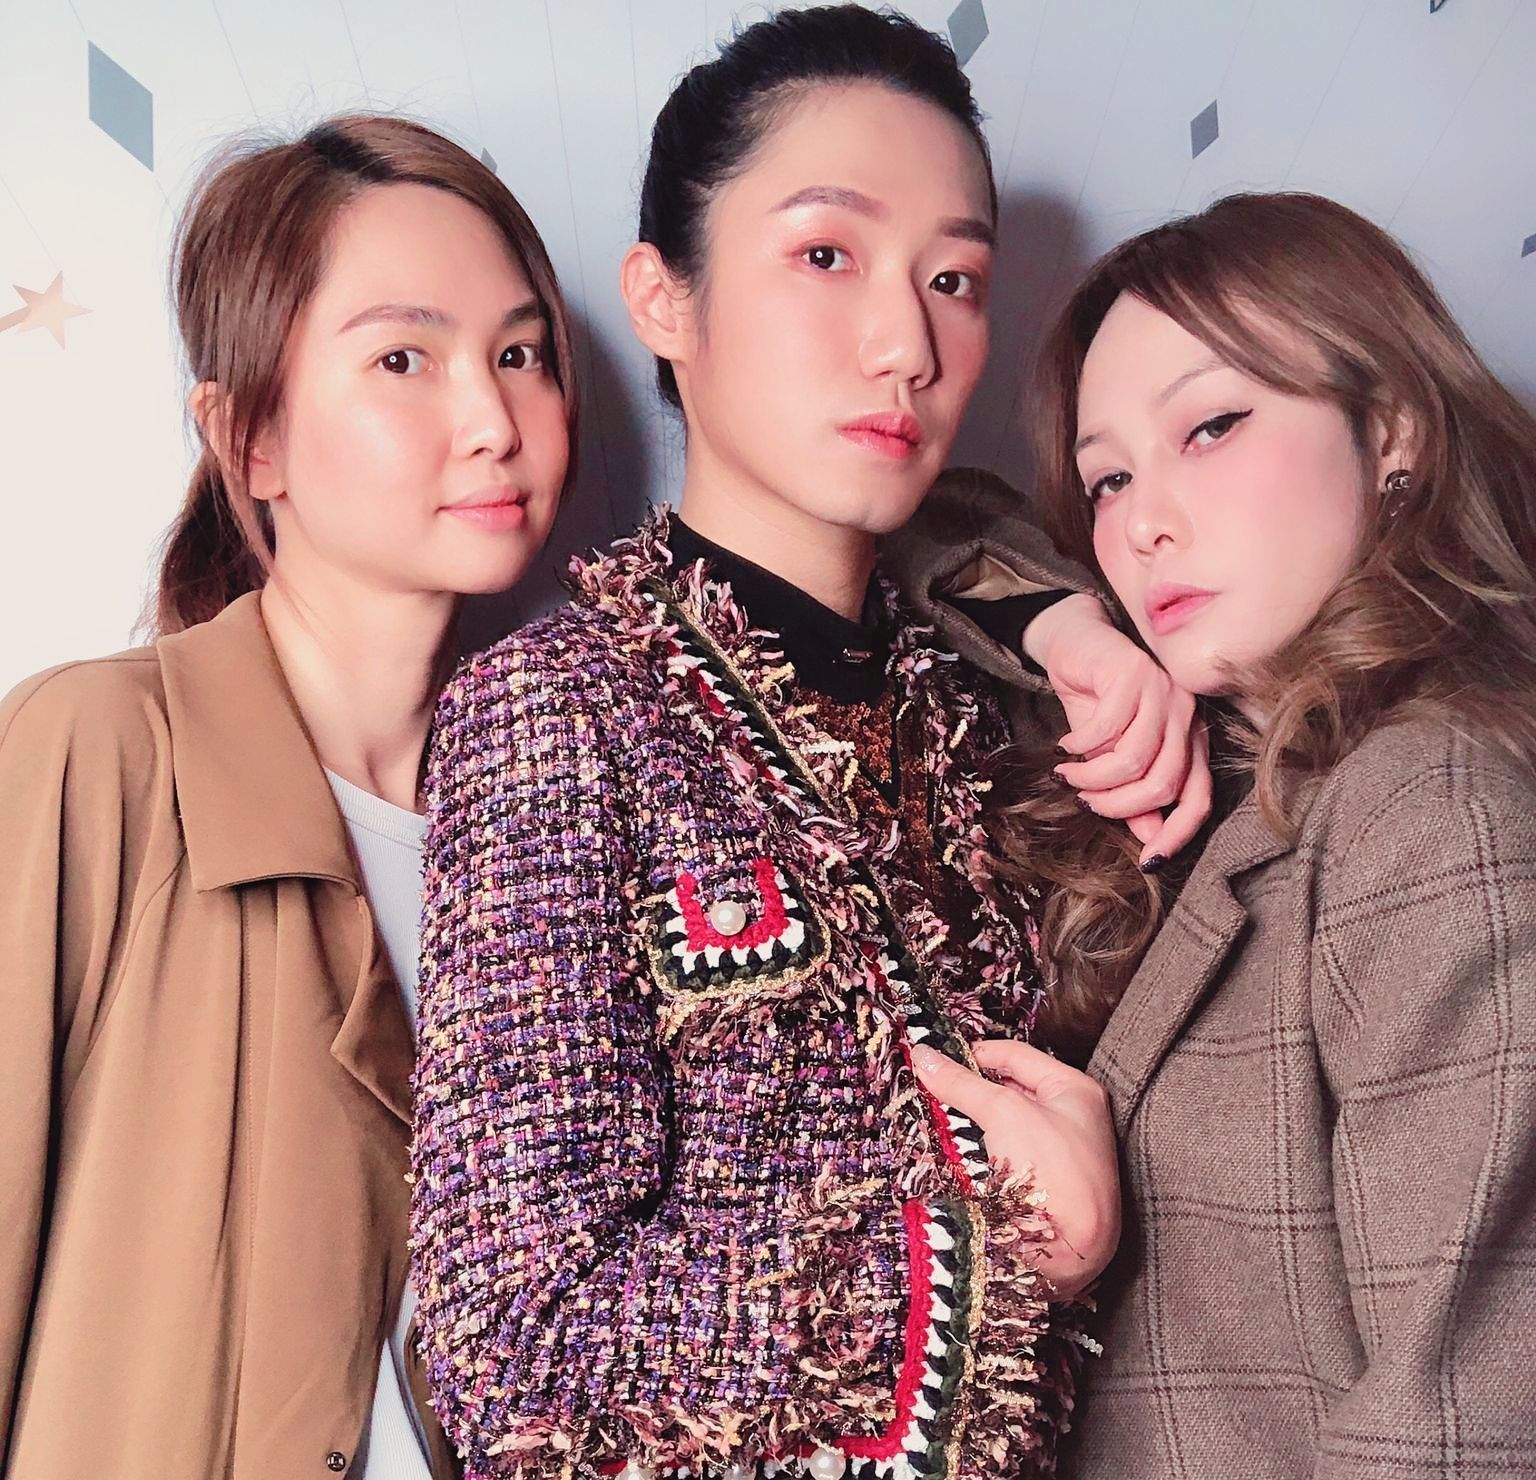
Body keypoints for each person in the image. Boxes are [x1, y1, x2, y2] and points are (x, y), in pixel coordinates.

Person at [409, 10, 1206, 1479]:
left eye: (956, 280)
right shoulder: (560, 709)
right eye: (826, 254)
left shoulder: (1006, 710)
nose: (907, 344)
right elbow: (508, 1348)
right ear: (663, 296)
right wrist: (1013, 1237)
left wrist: (1069, 626)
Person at [892, 191, 1536, 1477]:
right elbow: (920, 516)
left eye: (1215, 426)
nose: (1144, 522)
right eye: (1110, 477)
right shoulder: (1223, 760)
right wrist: (1071, 630)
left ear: (1392, 432)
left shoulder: (1429, 803)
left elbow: (1463, 1421)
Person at [0, 114, 576, 1479]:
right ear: (248, 433)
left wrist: (1047, 620)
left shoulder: (555, 813)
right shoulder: (100, 754)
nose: (492, 419)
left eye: (518, 353)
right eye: (403, 359)